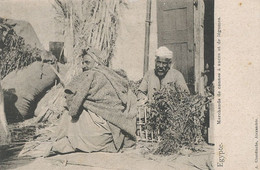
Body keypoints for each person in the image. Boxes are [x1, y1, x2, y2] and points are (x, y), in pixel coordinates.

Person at [44, 47, 137, 156]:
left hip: (96, 132)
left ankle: (61, 142)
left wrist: (70, 104)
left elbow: (73, 108)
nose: (84, 66)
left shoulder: (91, 74)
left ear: (96, 63)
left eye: (87, 62)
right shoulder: (113, 75)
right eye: (83, 62)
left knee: (68, 116)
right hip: (113, 132)